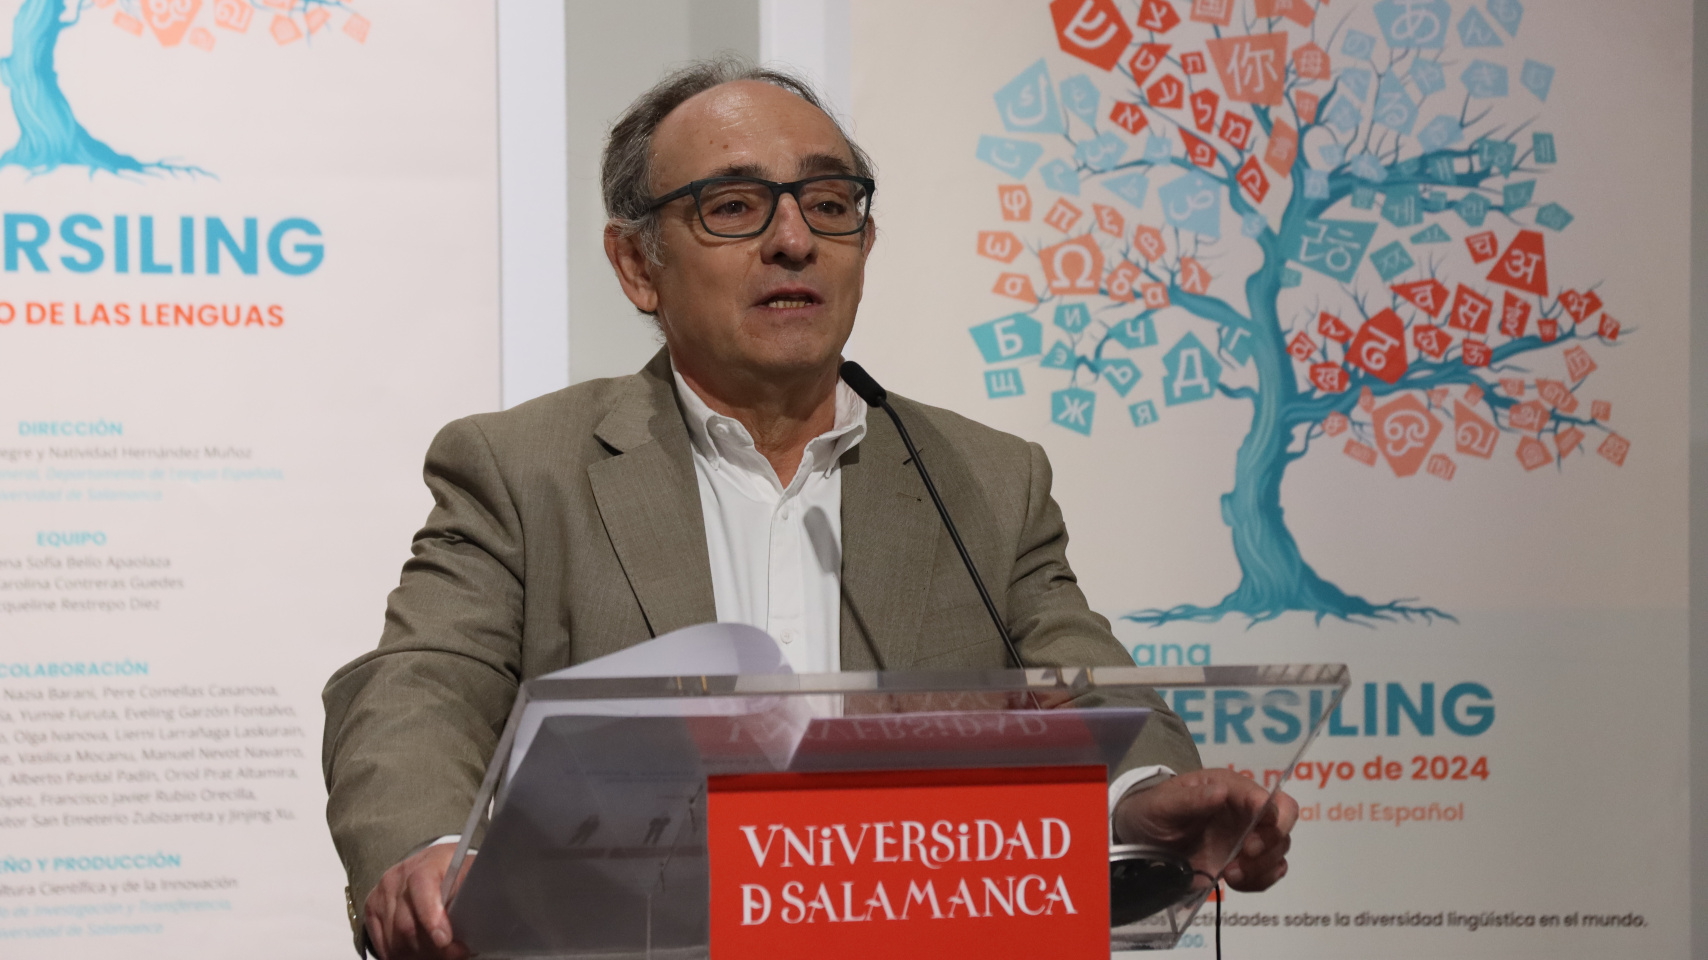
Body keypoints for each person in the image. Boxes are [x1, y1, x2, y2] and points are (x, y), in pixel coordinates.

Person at [321, 58, 1298, 960]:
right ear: (636, 265)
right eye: (734, 207)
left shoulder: (985, 481)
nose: (793, 240)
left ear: (863, 244)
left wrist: (1142, 801)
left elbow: (1084, 685)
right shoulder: (523, 468)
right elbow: (419, 682)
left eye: (828, 205)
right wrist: (431, 845)